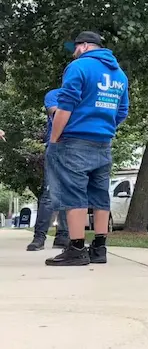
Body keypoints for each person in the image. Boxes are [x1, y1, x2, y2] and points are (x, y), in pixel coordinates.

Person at [44, 31, 129, 267]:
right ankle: (99, 249)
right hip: (104, 143)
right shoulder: (119, 74)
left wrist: (54, 138)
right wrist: (103, 128)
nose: (73, 52)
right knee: (100, 195)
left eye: (75, 47)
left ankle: (77, 249)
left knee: (74, 194)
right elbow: (122, 112)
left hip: (75, 141)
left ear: (83, 46)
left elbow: (66, 106)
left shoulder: (79, 67)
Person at [27, 88, 70, 251]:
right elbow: (57, 113)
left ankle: (62, 237)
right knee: (49, 194)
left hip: (77, 148)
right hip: (57, 147)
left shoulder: (86, 95)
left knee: (69, 193)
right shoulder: (54, 95)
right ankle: (39, 237)